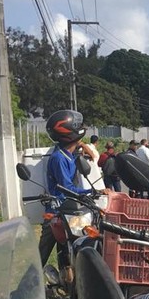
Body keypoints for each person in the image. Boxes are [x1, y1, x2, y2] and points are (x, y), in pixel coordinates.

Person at [39, 110, 99, 266]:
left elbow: (93, 157)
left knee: (68, 252)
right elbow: (67, 188)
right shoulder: (59, 158)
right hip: (56, 213)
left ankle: (68, 282)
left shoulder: (68, 154)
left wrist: (81, 145)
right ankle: (24, 288)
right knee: (41, 257)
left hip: (69, 211)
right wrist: (92, 192)